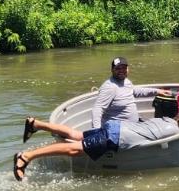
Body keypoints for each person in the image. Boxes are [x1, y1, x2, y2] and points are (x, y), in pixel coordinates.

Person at [13, 94, 179, 181]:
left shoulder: (164, 120)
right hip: (116, 137)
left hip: (115, 126)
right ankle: (26, 157)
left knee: (76, 134)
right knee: (74, 149)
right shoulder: (176, 131)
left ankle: (35, 124)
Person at [21, 57, 169, 142]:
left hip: (131, 128)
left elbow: (135, 91)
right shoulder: (109, 87)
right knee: (77, 136)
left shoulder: (126, 82)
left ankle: (36, 125)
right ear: (112, 70)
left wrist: (157, 91)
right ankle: (36, 125)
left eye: (124, 68)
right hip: (117, 132)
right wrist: (97, 132)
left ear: (128, 69)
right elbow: (98, 109)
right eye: (118, 68)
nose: (122, 71)